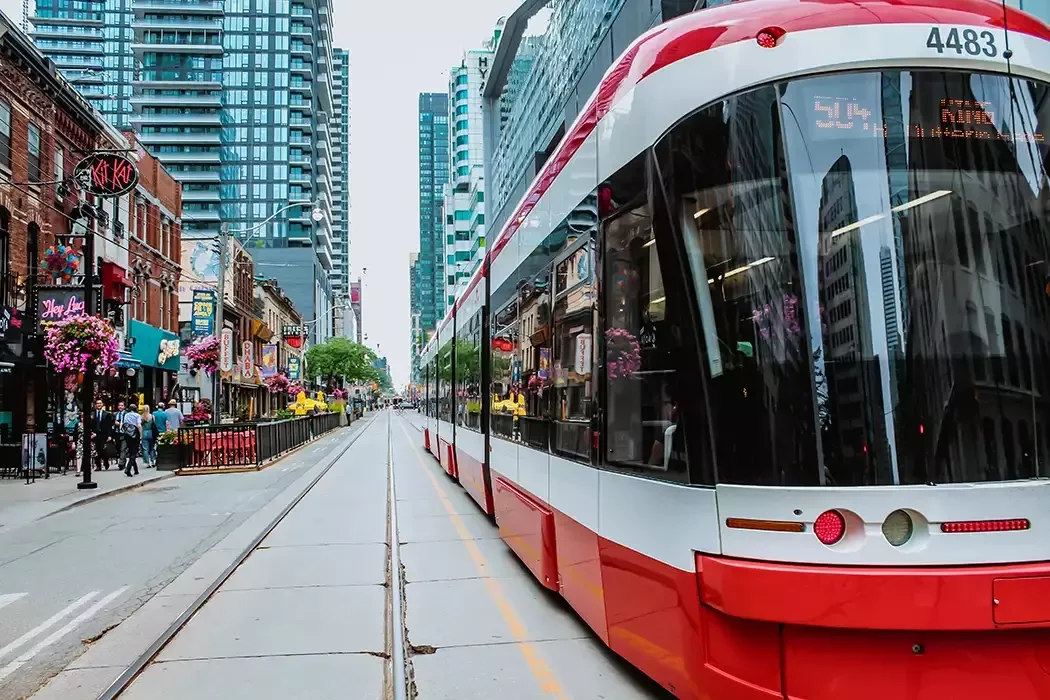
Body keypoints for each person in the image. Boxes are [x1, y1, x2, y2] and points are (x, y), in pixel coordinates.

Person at [88, 399, 114, 471]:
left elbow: (109, 426)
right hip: (95, 434)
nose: (99, 405)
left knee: (102, 450)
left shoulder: (107, 414)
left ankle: (106, 461)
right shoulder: (92, 414)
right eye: (97, 403)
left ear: (102, 405)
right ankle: (98, 465)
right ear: (95, 405)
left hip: (103, 434)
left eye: (100, 403)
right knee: (96, 450)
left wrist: (109, 435)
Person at [121, 406, 142, 476]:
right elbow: (139, 425)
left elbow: (124, 424)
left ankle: (136, 470)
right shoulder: (137, 415)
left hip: (127, 435)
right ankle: (128, 469)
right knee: (134, 453)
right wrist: (141, 435)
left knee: (131, 452)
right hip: (135, 435)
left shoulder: (126, 415)